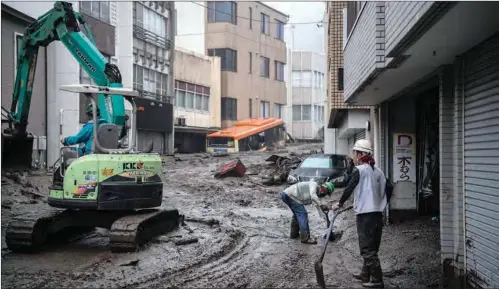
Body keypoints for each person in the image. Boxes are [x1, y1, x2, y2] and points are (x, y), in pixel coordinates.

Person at [331, 139, 387, 288]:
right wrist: (380, 203)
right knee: (372, 246)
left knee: (367, 249)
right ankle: (365, 274)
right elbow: (390, 188)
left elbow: (349, 187)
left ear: (360, 154)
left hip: (365, 215)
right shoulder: (379, 172)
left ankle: (377, 280)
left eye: (355, 153)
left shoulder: (360, 170)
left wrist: (339, 203)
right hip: (377, 214)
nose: (354, 156)